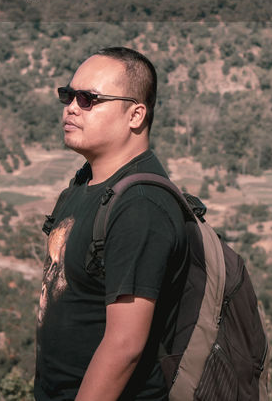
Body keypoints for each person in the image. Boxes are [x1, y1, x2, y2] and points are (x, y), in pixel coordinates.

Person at [35, 47, 187, 401]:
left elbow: (125, 345)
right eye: (68, 95)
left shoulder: (141, 207)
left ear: (135, 115)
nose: (71, 107)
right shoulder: (84, 186)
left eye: (89, 99)